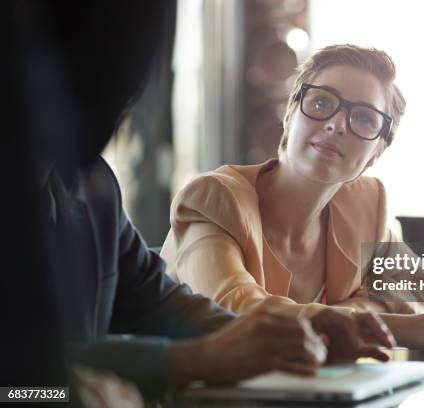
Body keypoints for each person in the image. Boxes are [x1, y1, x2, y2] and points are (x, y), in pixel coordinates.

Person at [9, 3, 394, 399]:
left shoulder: (93, 187)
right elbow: (20, 379)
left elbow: (159, 303)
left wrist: (296, 335)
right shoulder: (217, 196)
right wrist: (193, 360)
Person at [161, 44, 424, 350]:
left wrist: (350, 314)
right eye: (321, 102)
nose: (337, 124)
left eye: (363, 117)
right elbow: (233, 310)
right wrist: (397, 328)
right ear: (290, 115)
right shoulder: (214, 198)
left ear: (375, 153)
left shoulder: (365, 202)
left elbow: (413, 282)